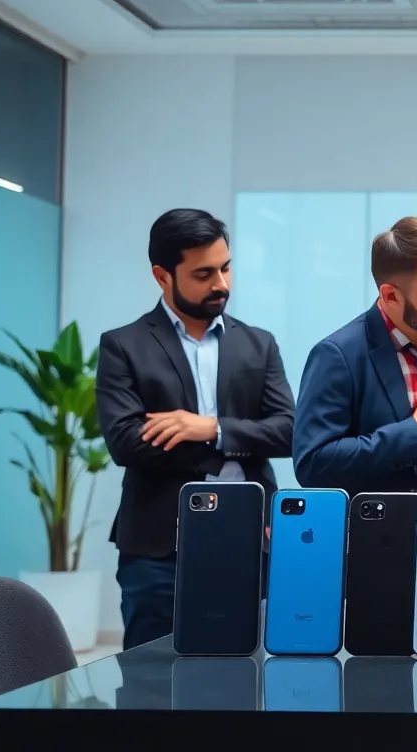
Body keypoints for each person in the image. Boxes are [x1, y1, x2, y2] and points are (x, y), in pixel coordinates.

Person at [96, 208, 294, 650]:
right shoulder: (123, 345)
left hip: (251, 539)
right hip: (158, 546)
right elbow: (127, 442)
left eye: (225, 268)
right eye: (203, 273)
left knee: (249, 669)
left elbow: (287, 432)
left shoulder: (258, 344)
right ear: (162, 276)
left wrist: (205, 428)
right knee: (151, 677)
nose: (221, 283)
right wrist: (241, 441)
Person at [292, 217, 417, 498]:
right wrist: (414, 434)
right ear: (391, 296)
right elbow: (312, 464)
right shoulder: (338, 355)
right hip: (374, 537)